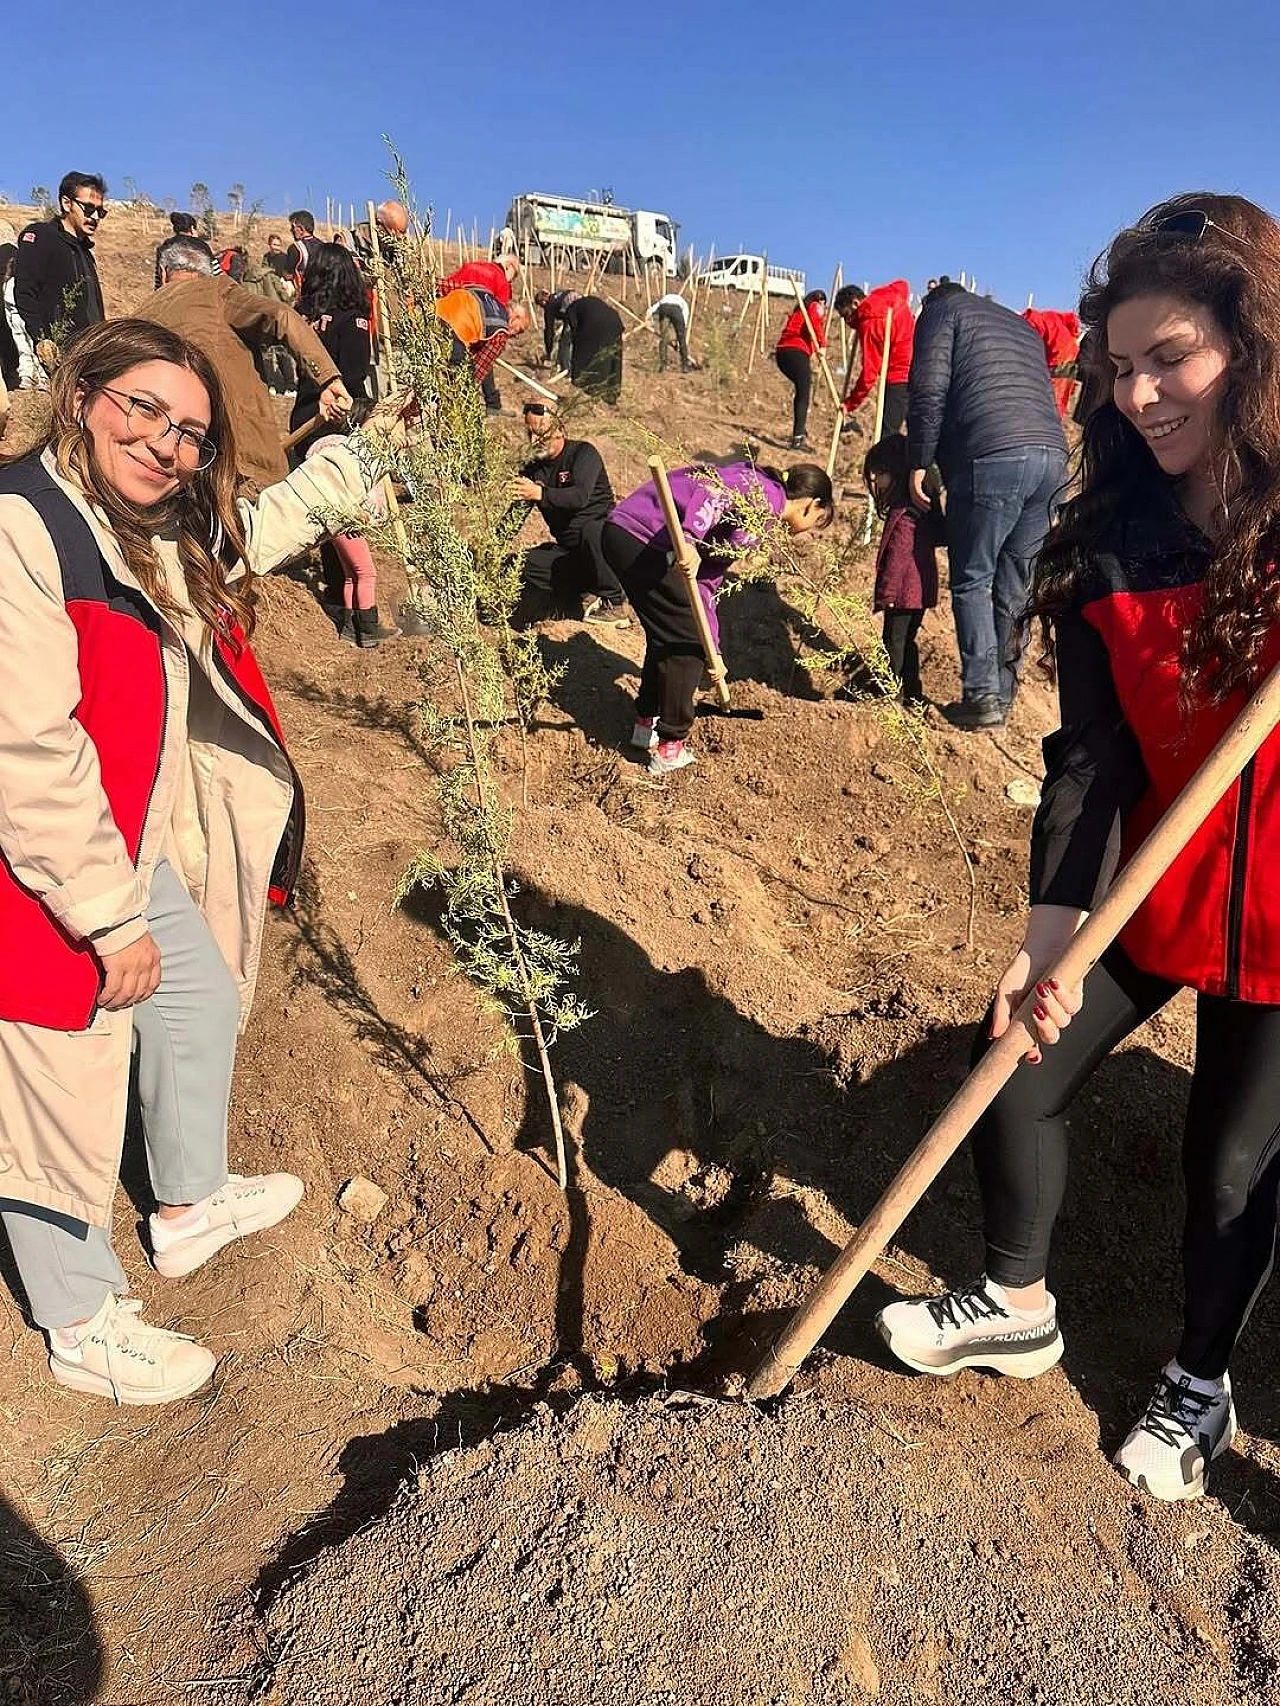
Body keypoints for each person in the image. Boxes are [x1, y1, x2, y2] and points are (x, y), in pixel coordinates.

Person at [877, 191, 1280, 1504]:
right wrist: (1046, 938)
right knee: (1015, 1066)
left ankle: (1201, 1376)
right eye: (1119, 368)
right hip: (1168, 887)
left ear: (1252, 350)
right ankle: (1014, 1298)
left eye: (1173, 358)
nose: (1144, 391)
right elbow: (1089, 763)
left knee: (1230, 1163)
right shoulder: (1113, 543)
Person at [0, 317, 411, 1404]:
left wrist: (363, 457)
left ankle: (183, 1205)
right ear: (82, 393)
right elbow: (26, 750)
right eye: (143, 409)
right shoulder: (22, 523)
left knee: (196, 1001)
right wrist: (107, 913)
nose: (168, 444)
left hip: (123, 841)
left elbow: (250, 533)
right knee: (52, 1073)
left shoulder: (142, 526)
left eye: (188, 429)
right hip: (34, 866)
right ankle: (78, 1316)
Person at [602, 462, 834, 774]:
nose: (808, 532)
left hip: (635, 541)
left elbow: (705, 583)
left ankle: (647, 723)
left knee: (673, 633)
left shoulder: (762, 518)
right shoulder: (764, 492)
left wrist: (715, 649)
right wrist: (689, 538)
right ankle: (670, 747)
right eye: (817, 522)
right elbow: (714, 493)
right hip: (640, 537)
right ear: (812, 504)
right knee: (686, 640)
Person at [907, 281, 1067, 730]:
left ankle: (981, 698)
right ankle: (1004, 693)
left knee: (973, 577)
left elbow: (929, 390)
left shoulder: (941, 313)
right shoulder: (1020, 326)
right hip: (1052, 458)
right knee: (1016, 583)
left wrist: (919, 461)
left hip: (993, 455)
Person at [143, 236, 352, 492]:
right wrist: (328, 378)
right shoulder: (216, 290)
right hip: (241, 465)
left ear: (164, 273)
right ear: (209, 270)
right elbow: (280, 316)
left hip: (171, 468)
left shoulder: (141, 315)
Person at [292, 243, 397, 647]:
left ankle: (340, 604)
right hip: (336, 422)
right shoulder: (352, 320)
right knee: (346, 515)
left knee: (325, 519)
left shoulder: (303, 318)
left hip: (303, 420)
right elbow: (352, 375)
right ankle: (362, 622)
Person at [506, 402, 626, 623]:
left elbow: (579, 497)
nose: (534, 441)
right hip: (572, 553)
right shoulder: (533, 469)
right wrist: (490, 549)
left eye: (541, 433)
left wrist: (541, 493)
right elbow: (514, 518)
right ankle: (580, 596)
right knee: (522, 563)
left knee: (592, 531)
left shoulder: (583, 453)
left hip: (604, 549)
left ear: (560, 430)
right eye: (530, 433)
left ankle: (614, 602)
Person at [864, 433, 941, 706]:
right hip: (917, 592)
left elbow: (896, 558)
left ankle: (888, 691)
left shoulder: (904, 514)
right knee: (906, 641)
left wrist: (886, 594)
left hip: (904, 593)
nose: (876, 482)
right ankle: (912, 692)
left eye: (880, 474)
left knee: (893, 642)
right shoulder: (921, 510)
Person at [12, 173, 107, 376]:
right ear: (66, 203)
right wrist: (43, 339)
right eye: (89, 208)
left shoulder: (85, 253)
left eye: (101, 211)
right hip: (62, 355)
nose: (96, 217)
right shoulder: (41, 236)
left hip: (93, 354)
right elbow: (24, 292)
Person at [440, 254, 520, 413]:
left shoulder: (471, 266)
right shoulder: (502, 283)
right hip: (462, 328)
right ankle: (487, 405)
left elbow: (446, 286)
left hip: (439, 314)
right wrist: (468, 388)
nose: (516, 335)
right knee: (471, 370)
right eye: (519, 330)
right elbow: (482, 362)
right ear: (509, 266)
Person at [836, 280, 916, 436]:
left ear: (855, 303)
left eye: (846, 315)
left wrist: (850, 403)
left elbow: (868, 375)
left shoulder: (870, 323)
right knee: (917, 430)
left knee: (887, 435)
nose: (847, 322)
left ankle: (888, 461)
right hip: (919, 368)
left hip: (900, 376)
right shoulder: (885, 297)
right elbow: (903, 285)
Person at [536, 289, 625, 403]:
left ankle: (585, 388)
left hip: (594, 321)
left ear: (543, 302)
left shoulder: (553, 307)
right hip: (614, 320)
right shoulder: (567, 295)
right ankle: (611, 394)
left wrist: (549, 352)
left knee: (584, 354)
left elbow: (551, 331)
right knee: (613, 356)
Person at [774, 289, 827, 450]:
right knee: (804, 392)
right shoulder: (815, 305)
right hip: (795, 351)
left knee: (801, 389)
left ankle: (800, 429)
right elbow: (814, 322)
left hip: (782, 353)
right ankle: (798, 438)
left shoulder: (798, 311)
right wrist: (822, 344)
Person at [1023, 306, 1082, 419]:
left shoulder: (1043, 320)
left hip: (1054, 370)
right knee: (1056, 405)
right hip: (1065, 373)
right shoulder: (1069, 336)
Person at [154, 212, 213, 289]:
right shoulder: (203, 245)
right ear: (192, 228)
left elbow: (159, 279)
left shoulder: (165, 246)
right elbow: (215, 272)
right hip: (200, 290)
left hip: (170, 291)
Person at [646, 291, 692, 373]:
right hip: (676, 311)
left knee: (663, 338)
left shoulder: (664, 299)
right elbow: (685, 314)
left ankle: (663, 366)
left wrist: (648, 319)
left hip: (664, 309)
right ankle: (685, 366)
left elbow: (651, 310)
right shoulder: (682, 301)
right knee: (682, 339)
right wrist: (682, 329)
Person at [285, 210, 318, 284]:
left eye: (293, 227)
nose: (291, 230)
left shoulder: (295, 248)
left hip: (303, 291)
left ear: (301, 229)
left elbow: (288, 275)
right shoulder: (324, 246)